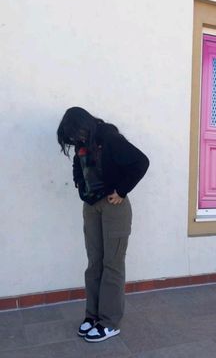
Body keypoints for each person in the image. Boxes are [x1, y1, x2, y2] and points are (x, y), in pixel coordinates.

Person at [57, 107, 149, 342]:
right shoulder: (81, 143)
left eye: (76, 135)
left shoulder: (110, 138)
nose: (75, 141)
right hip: (91, 207)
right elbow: (78, 167)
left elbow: (141, 162)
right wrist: (79, 183)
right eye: (71, 139)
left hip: (113, 207)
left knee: (113, 265)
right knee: (94, 264)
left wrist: (121, 190)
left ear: (85, 125)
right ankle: (92, 316)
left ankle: (109, 322)